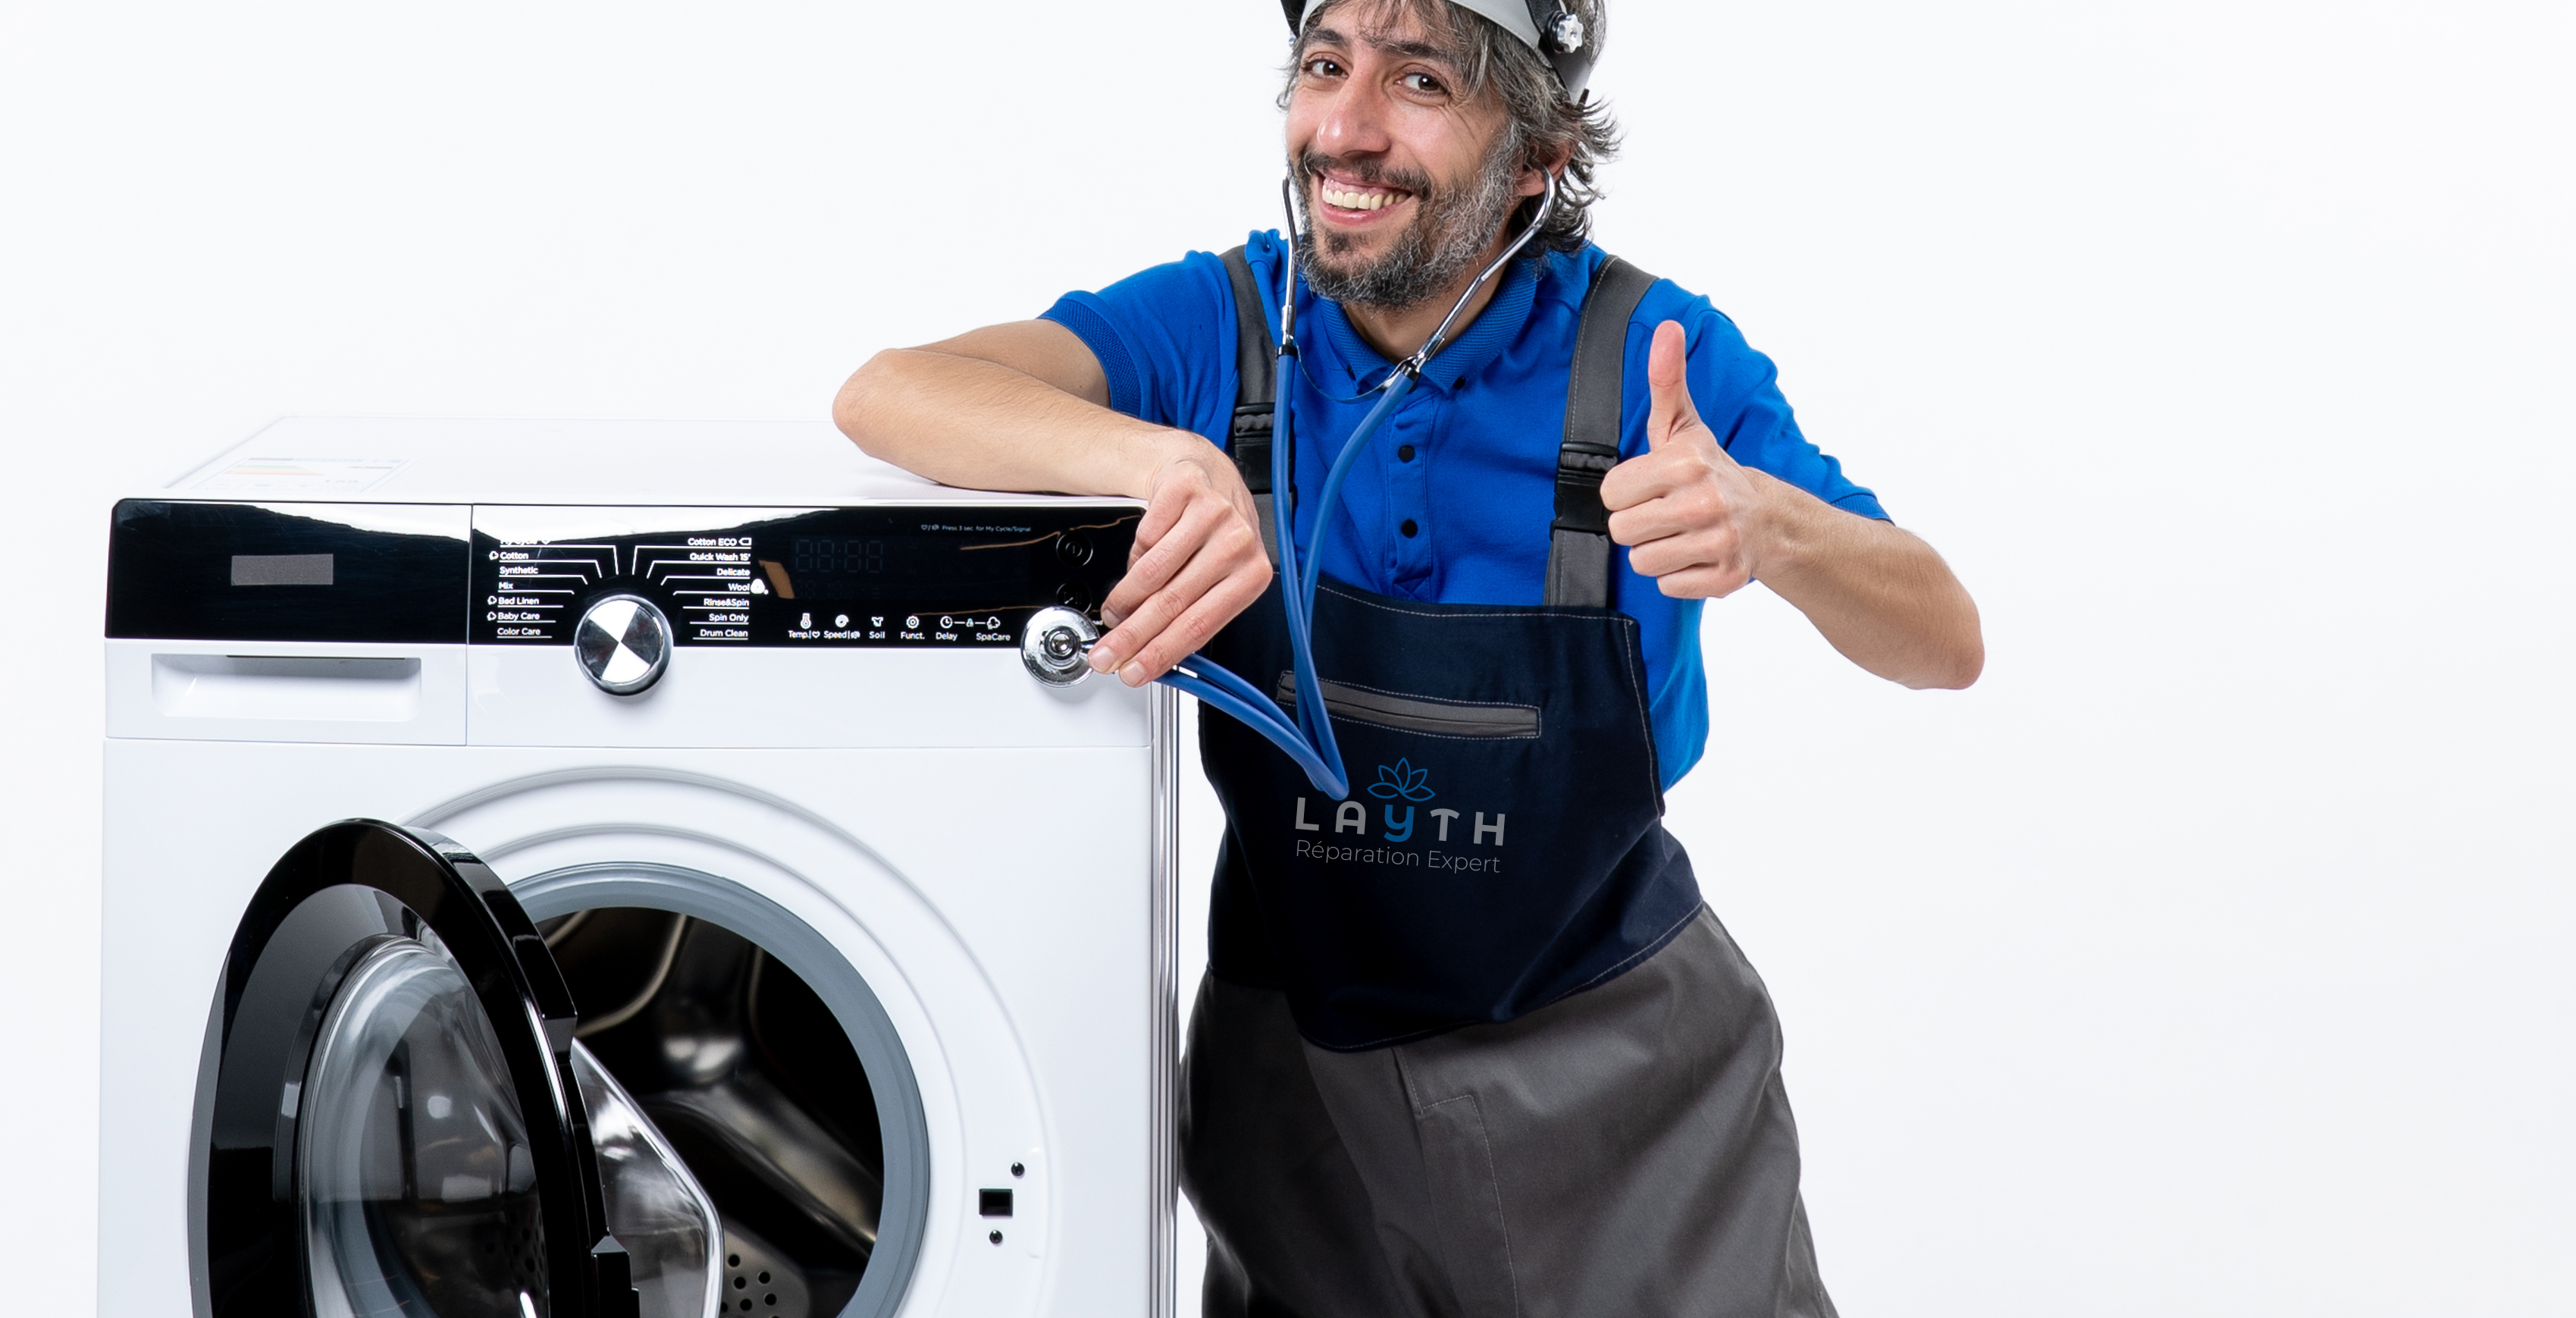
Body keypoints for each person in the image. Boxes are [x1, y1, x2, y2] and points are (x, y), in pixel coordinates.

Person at [836, 1, 1982, 1312]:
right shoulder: (1221, 326)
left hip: (1622, 1102)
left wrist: (1773, 525)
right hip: (1298, 1099)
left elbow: (1942, 638)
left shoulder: (1648, 359)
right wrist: (1162, 457)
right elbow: (888, 391)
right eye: (1324, 66)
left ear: (1537, 158)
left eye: (1419, 81)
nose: (1345, 128)